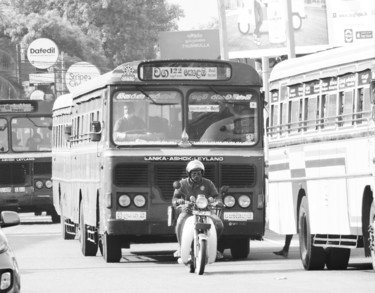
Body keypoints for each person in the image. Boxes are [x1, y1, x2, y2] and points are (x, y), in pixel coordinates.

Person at [172, 160, 225, 261]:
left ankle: (214, 246)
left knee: (219, 224)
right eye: (194, 173)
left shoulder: (208, 183)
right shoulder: (182, 184)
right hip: (188, 211)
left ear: (202, 173)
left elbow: (216, 195)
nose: (197, 176)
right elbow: (175, 198)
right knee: (179, 222)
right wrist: (178, 201)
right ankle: (180, 247)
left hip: (206, 210)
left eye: (199, 173)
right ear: (189, 174)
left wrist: (218, 201)